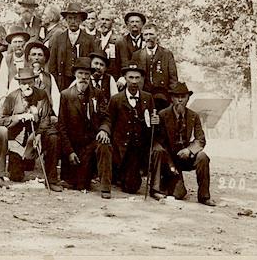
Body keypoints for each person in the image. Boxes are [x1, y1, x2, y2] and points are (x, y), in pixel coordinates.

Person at [96, 62, 156, 199]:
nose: (134, 82)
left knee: (132, 187)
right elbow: (108, 119)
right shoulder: (116, 99)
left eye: (137, 78)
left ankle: (125, 175)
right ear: (125, 78)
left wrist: (154, 122)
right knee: (105, 147)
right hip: (119, 147)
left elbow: (151, 122)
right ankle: (107, 185)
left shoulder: (147, 98)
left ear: (141, 79)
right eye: (131, 78)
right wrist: (104, 130)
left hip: (136, 150)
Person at [149, 82, 215, 206]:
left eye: (183, 97)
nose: (180, 100)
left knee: (203, 157)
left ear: (188, 98)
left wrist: (189, 150)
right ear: (172, 98)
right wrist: (170, 165)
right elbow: (159, 142)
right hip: (169, 158)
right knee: (179, 194)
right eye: (176, 97)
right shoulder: (163, 115)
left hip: (185, 157)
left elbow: (200, 139)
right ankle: (156, 188)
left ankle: (204, 196)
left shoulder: (193, 116)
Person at [0, 67, 62, 190]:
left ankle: (51, 179)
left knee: (53, 137)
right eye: (23, 83)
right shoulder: (12, 97)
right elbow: (1, 119)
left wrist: (38, 134)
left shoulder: (42, 95)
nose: (27, 86)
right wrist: (19, 117)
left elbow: (46, 118)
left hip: (37, 135)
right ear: (19, 84)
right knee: (16, 176)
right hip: (18, 140)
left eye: (30, 82)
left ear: (34, 82)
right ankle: (24, 161)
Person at [56, 57, 110, 192]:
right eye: (80, 73)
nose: (84, 78)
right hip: (74, 146)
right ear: (75, 74)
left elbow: (106, 117)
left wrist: (104, 130)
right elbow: (61, 126)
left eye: (87, 74)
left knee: (105, 144)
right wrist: (69, 152)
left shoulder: (97, 94)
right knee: (77, 185)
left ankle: (105, 186)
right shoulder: (66, 95)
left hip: (91, 144)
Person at [48, 2, 97, 90]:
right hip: (63, 81)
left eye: (75, 18)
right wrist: (56, 82)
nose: (73, 21)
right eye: (70, 18)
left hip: (83, 81)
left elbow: (94, 61)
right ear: (66, 20)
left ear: (81, 20)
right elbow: (52, 65)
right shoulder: (59, 39)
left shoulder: (89, 39)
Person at [131, 23, 178, 111]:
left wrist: (173, 99)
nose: (148, 38)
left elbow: (173, 79)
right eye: (146, 34)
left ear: (157, 35)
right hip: (143, 97)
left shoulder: (166, 54)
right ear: (143, 37)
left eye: (151, 34)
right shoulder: (136, 55)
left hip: (163, 98)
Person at [25, 40, 60, 116]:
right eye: (34, 54)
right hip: (26, 117)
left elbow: (56, 100)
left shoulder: (49, 77)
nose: (36, 58)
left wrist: (59, 117)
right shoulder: (20, 76)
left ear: (45, 58)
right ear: (28, 57)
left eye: (40, 55)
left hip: (46, 118)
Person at [96, 9, 121, 81]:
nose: (104, 22)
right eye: (102, 19)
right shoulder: (94, 39)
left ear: (112, 23)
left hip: (113, 79)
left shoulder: (119, 40)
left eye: (107, 20)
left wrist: (122, 79)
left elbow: (124, 62)